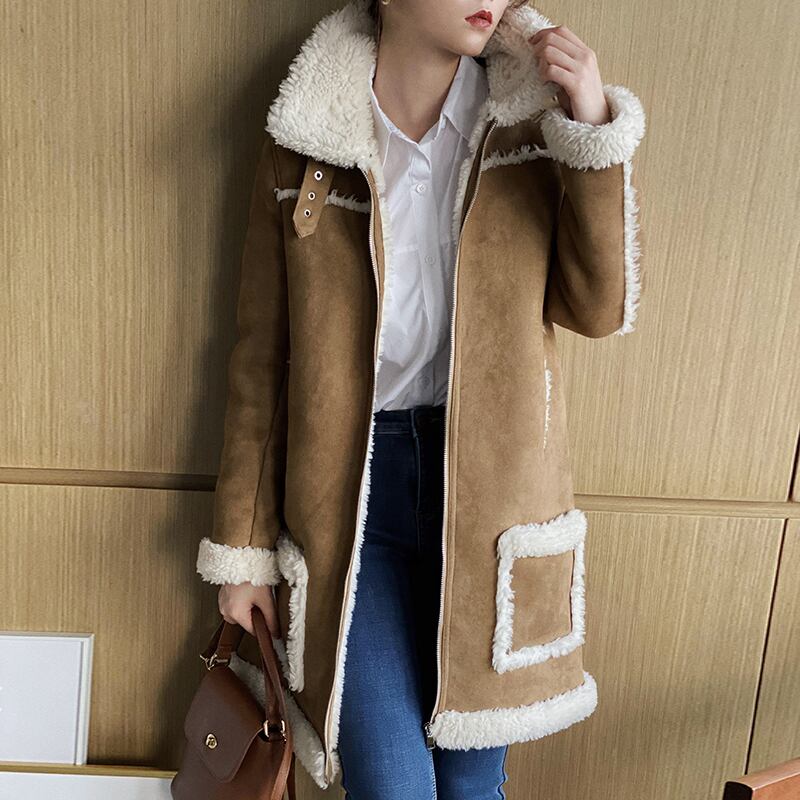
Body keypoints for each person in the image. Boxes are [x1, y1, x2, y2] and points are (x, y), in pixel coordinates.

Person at [197, 0, 646, 796]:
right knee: (393, 786)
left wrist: (591, 131)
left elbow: (599, 307)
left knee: (471, 788)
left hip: (491, 509)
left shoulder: (526, 126)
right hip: (351, 506)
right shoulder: (309, 135)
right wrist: (244, 549)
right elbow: (262, 359)